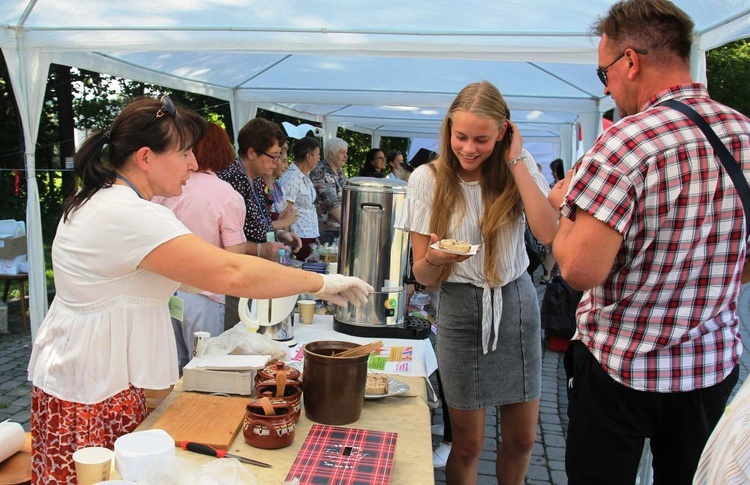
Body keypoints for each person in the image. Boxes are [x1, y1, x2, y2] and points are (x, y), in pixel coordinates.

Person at [26, 95, 373, 484]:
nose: (194, 163)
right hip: (92, 387)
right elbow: (231, 272)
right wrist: (322, 283)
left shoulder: (107, 201)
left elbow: (196, 273)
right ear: (145, 157)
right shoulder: (128, 213)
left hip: (87, 377)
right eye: (186, 153)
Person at [548, 1, 750, 483]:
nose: (607, 87)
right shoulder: (745, 133)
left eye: (604, 73)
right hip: (709, 365)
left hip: (620, 368)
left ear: (631, 62)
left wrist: (564, 207)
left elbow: (580, 269)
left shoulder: (625, 142)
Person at [396, 81, 558, 484]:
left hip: (516, 304)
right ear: (448, 129)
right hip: (460, 309)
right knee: (468, 444)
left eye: (481, 139)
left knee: (521, 441)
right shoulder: (426, 179)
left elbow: (549, 231)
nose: (468, 148)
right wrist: (435, 257)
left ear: (503, 132)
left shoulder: (518, 167)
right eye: (460, 136)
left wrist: (518, 159)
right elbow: (423, 275)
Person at [156, 121, 247, 372]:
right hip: (204, 293)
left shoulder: (162, 188)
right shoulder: (225, 195)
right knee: (204, 369)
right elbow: (235, 256)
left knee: (170, 369)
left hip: (162, 289)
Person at [280, 136, 321, 261]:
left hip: (308, 234)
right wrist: (287, 243)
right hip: (298, 236)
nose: (319, 159)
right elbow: (285, 211)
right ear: (308, 157)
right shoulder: (292, 177)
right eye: (318, 155)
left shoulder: (304, 177)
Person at [310, 137, 348, 244]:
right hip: (326, 231)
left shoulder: (339, 171)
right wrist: (350, 226)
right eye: (342, 153)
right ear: (331, 154)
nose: (346, 156)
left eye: (346, 153)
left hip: (338, 228)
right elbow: (332, 205)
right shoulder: (321, 171)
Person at [263, 143, 298, 232]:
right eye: (284, 161)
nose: (287, 166)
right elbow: (260, 226)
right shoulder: (261, 187)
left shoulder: (278, 187)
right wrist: (285, 221)